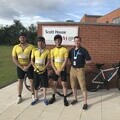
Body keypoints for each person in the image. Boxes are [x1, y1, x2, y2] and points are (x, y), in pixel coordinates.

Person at [69, 36, 91, 110]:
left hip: (80, 70)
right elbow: (69, 58)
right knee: (73, 86)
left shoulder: (83, 50)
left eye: (78, 41)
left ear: (80, 41)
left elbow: (89, 60)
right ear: (74, 42)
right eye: (75, 41)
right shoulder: (71, 50)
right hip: (72, 69)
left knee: (82, 87)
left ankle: (85, 103)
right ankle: (75, 99)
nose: (76, 42)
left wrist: (83, 63)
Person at [12, 32, 35, 104]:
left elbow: (33, 59)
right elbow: (14, 58)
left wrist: (27, 66)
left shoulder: (31, 47)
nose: (22, 38)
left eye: (24, 37)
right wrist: (22, 67)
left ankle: (33, 94)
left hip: (29, 66)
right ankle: (19, 96)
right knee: (20, 81)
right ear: (19, 38)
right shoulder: (15, 47)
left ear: (26, 38)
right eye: (21, 37)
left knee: (31, 81)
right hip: (20, 67)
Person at [49, 34, 69, 106]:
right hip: (55, 69)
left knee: (64, 84)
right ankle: (53, 97)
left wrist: (60, 70)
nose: (57, 41)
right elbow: (51, 61)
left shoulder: (65, 49)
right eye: (56, 40)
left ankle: (65, 98)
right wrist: (56, 70)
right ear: (54, 41)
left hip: (62, 69)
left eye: (59, 40)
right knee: (54, 84)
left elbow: (65, 61)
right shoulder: (52, 50)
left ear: (61, 41)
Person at [31, 36, 50, 105]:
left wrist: (45, 68)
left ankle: (44, 98)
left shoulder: (47, 51)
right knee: (36, 85)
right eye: (39, 42)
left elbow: (48, 61)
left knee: (44, 85)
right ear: (37, 43)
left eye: (42, 42)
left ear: (44, 43)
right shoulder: (34, 50)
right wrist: (35, 68)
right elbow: (32, 61)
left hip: (43, 71)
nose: (40, 43)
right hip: (36, 71)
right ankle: (36, 98)